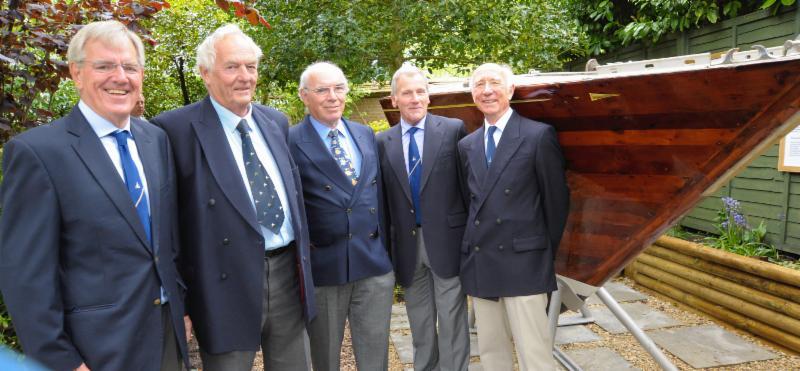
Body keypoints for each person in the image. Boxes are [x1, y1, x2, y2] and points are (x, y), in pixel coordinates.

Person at [0, 20, 189, 371]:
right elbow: (25, 277)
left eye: (130, 67)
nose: (120, 77)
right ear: (77, 73)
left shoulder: (155, 140)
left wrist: (180, 303)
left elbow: (167, 237)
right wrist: (61, 360)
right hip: (94, 351)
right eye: (104, 66)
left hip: (165, 335)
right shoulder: (37, 153)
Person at [150, 24, 315, 371]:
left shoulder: (276, 122)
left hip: (286, 275)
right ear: (206, 74)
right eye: (232, 67)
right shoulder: (174, 130)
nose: (245, 77)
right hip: (222, 284)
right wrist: (182, 301)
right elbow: (169, 227)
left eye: (250, 66)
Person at [457, 63, 570, 371]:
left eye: (494, 83)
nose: (487, 90)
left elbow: (556, 204)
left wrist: (540, 252)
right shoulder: (466, 146)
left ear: (510, 90)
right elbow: (471, 204)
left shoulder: (537, 136)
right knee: (493, 353)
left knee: (534, 353)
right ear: (473, 94)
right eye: (479, 84)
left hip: (525, 263)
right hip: (482, 261)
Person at [289, 61, 395, 371]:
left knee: (375, 358)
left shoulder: (364, 134)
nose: (333, 96)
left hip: (373, 265)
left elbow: (379, 196)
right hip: (324, 270)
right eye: (322, 90)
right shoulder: (290, 140)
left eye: (339, 88)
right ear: (304, 96)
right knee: (325, 360)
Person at [377, 65, 470, 371]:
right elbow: (384, 202)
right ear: (394, 100)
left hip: (447, 242)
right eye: (407, 93)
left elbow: (466, 189)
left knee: (452, 319)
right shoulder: (382, 142)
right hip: (406, 245)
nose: (415, 98)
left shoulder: (453, 129)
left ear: (429, 97)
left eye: (420, 91)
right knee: (419, 323)